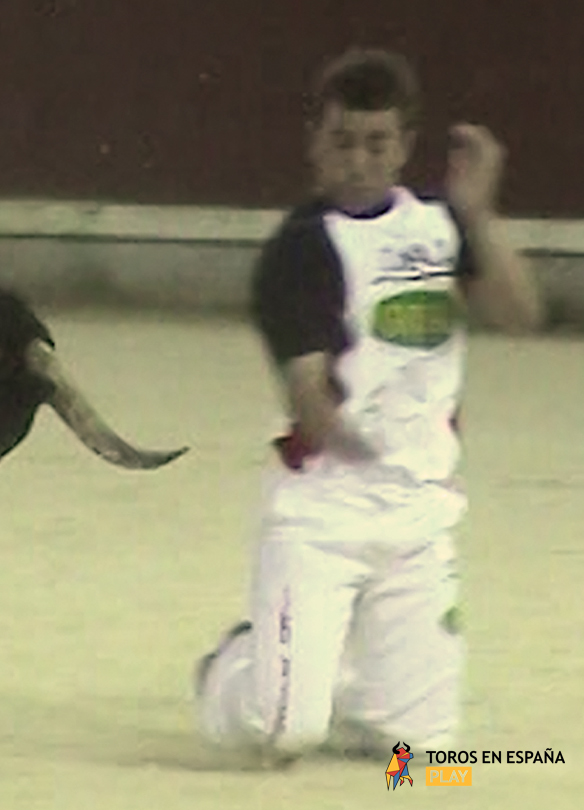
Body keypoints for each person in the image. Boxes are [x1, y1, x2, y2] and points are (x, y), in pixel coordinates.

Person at [193, 48, 544, 767]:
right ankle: (235, 665)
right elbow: (308, 392)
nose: (358, 161)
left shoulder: (442, 230)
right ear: (315, 143)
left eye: (376, 144)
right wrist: (348, 438)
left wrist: (479, 215)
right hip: (323, 512)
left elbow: (520, 313)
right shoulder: (299, 251)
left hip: (420, 513)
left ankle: (326, 664)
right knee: (284, 733)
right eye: (342, 142)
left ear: (405, 147)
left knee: (420, 752)